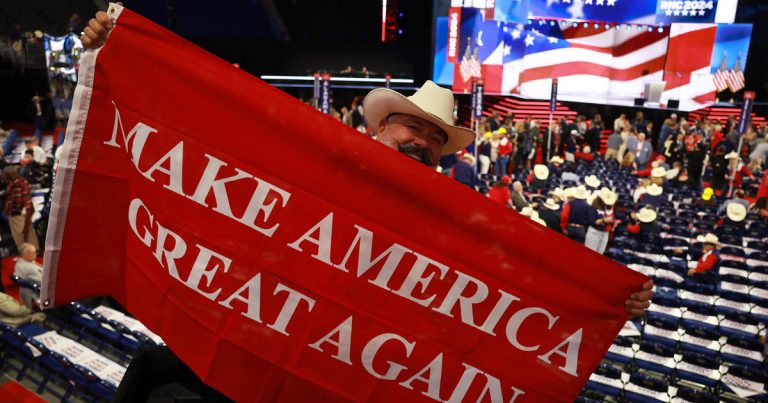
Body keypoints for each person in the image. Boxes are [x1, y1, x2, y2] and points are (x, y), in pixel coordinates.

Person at [82, 11, 653, 318]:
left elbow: (516, 279)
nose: (422, 142)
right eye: (413, 127)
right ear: (381, 127)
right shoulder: (312, 157)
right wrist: (119, 53)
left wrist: (603, 295)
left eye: (436, 138)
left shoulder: (454, 218)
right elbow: (203, 137)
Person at [3, 166, 39, 251]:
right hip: (28, 210)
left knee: (19, 235)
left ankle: (25, 254)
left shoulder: (15, 185)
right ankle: (35, 251)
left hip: (18, 214)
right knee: (29, 232)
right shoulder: (23, 180)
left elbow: (17, 203)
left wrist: (9, 211)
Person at [585, 188, 616, 254]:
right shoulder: (594, 206)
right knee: (590, 254)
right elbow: (592, 221)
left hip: (605, 233)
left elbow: (613, 217)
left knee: (600, 254)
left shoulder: (609, 207)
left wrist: (612, 221)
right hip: (594, 232)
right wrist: (604, 220)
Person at [14, 243, 43, 308]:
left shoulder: (27, 262)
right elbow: (41, 281)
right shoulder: (25, 267)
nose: (35, 255)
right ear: (24, 254)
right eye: (33, 253)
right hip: (36, 293)